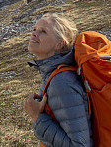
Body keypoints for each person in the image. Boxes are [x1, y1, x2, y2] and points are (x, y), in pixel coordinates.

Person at [24, 13, 92, 147]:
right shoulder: (55, 75)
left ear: (59, 44)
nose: (34, 34)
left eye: (43, 31)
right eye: (34, 29)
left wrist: (38, 117)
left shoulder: (62, 82)